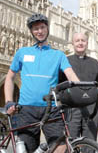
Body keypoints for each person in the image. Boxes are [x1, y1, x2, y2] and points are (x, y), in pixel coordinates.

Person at [4, 13, 80, 153]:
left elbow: (70, 74)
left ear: (47, 29)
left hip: (51, 108)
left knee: (60, 146)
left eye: (42, 27)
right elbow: (9, 78)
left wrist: (81, 87)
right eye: (35, 29)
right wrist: (9, 101)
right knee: (27, 149)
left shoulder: (58, 55)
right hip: (26, 109)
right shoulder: (22, 52)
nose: (39, 31)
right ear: (32, 32)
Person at [59, 33, 98, 142]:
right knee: (70, 143)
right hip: (71, 109)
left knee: (90, 144)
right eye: (77, 40)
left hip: (91, 109)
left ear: (87, 43)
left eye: (83, 40)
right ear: (73, 43)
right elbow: (59, 85)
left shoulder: (95, 62)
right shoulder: (66, 61)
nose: (80, 43)